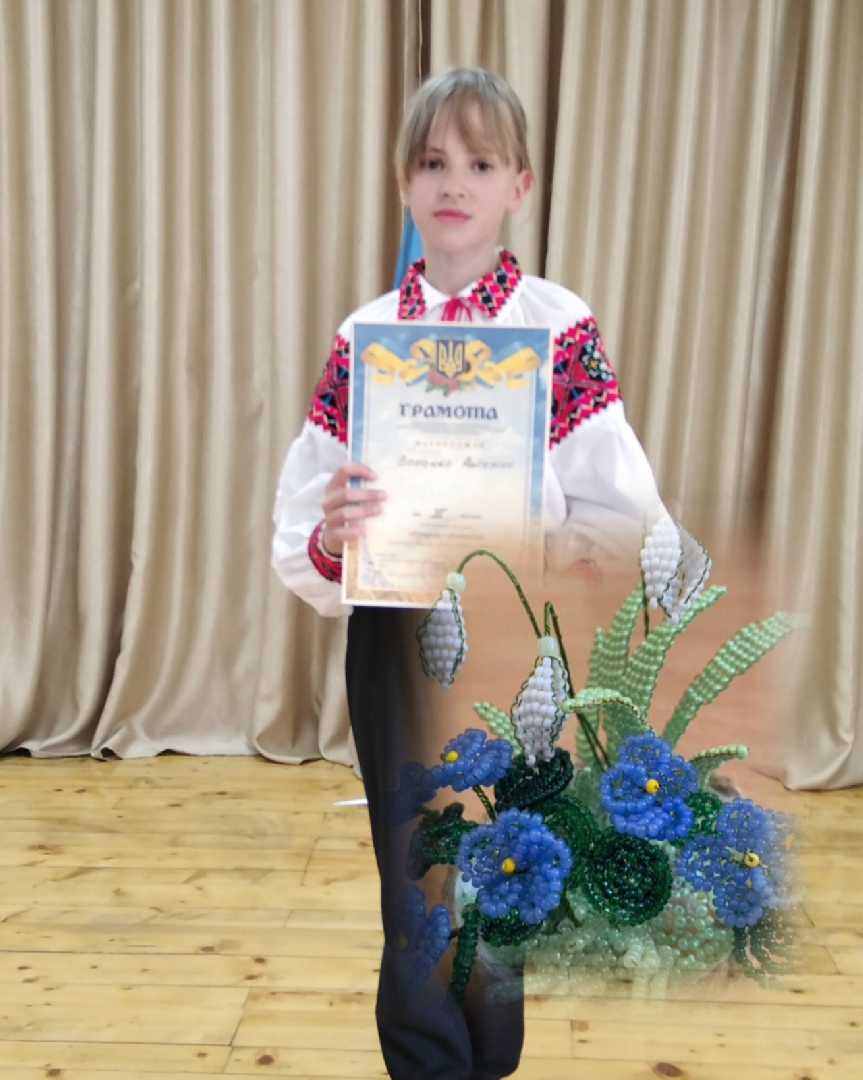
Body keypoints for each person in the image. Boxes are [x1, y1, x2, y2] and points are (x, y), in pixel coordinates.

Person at [273, 67, 665, 1080]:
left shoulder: (556, 328)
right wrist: (336, 533)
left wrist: (552, 545)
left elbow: (618, 510)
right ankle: (425, 1064)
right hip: (392, 634)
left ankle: (488, 1060)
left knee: (506, 862)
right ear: (403, 181)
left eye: (480, 164)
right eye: (432, 161)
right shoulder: (366, 341)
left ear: (519, 184)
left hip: (511, 639)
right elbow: (302, 529)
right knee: (415, 871)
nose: (454, 183)